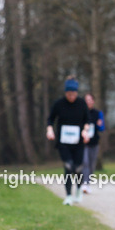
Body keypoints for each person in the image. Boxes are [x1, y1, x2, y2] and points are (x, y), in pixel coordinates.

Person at [46, 77, 92, 205]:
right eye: (69, 94)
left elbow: (87, 120)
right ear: (65, 93)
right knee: (68, 166)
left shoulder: (81, 104)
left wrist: (85, 131)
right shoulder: (59, 104)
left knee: (77, 168)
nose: (71, 96)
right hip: (64, 142)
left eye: (74, 94)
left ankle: (78, 189)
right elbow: (50, 119)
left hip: (78, 142)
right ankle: (68, 196)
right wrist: (49, 130)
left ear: (77, 93)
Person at [81, 93, 104, 193]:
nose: (88, 102)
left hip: (94, 142)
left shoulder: (98, 113)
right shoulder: (81, 113)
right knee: (85, 163)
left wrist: (100, 125)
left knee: (91, 165)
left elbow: (102, 128)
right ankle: (84, 184)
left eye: (90, 100)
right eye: (86, 100)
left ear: (93, 101)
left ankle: (87, 183)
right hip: (83, 143)